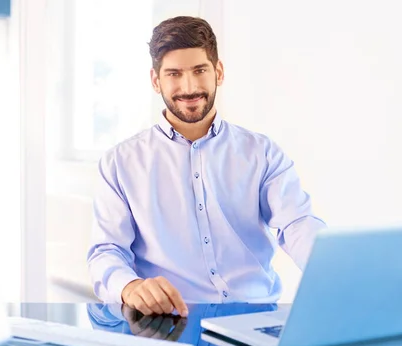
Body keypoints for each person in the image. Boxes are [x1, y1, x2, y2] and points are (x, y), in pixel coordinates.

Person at [87, 16, 326, 317]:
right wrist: (130, 287)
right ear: (155, 80)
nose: (189, 87)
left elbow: (297, 223)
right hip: (168, 327)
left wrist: (335, 269)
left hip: (255, 322)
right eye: (174, 74)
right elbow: (106, 251)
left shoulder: (262, 154)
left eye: (199, 70)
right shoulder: (120, 164)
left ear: (219, 72)